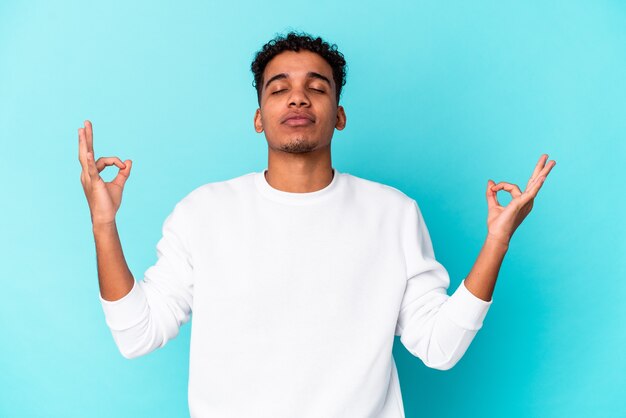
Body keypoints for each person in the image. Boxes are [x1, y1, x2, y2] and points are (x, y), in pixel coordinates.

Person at [78, 31, 556, 418]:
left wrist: (497, 241)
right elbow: (136, 334)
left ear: (339, 115)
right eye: (279, 88)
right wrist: (104, 223)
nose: (298, 99)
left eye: (317, 87)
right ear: (259, 118)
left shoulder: (393, 213)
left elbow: (438, 346)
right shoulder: (203, 212)